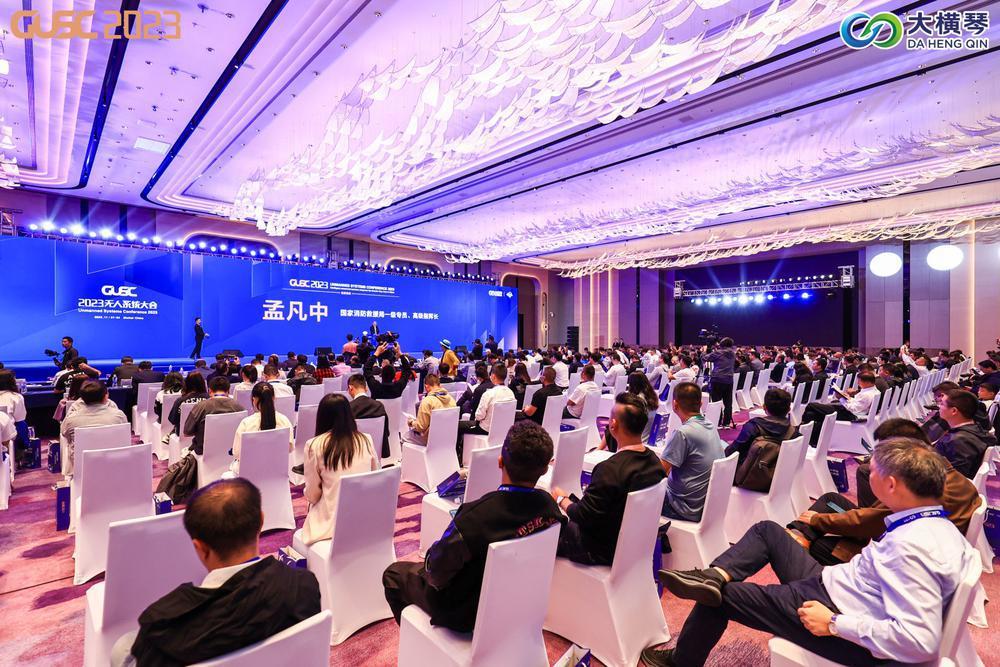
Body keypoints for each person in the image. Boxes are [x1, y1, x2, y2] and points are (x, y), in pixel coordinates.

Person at [642, 437, 979, 667]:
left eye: (873, 469)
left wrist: (833, 623)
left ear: (891, 485)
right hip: (836, 586)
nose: (867, 472)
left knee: (720, 598)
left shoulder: (912, 547)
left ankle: (682, 659)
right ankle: (714, 575)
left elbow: (920, 641)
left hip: (833, 611)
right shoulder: (938, 526)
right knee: (768, 531)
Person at [112, 479, 321, 667]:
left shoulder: (162, 627)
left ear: (199, 548)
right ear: (261, 521)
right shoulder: (303, 585)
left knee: (123, 647)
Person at [383, 421, 564, 632]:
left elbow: (435, 575)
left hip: (464, 614)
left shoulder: (474, 517)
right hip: (519, 602)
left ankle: (414, 639)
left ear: (500, 461)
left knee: (393, 574)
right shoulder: (550, 507)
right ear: (545, 469)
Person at [789, 418, 980, 564]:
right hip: (894, 535)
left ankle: (799, 538)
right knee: (831, 500)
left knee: (819, 546)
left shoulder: (918, 491)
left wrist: (817, 520)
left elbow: (869, 522)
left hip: (892, 553)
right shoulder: (944, 471)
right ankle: (799, 534)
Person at [552, 393, 665, 565]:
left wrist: (561, 499)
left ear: (613, 425)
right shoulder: (655, 462)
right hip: (633, 544)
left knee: (546, 528)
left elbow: (583, 516)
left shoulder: (610, 469)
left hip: (599, 549)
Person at [292, 393, 380, 549]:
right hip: (364, 518)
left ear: (322, 417)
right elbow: (376, 478)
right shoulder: (366, 439)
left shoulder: (315, 445)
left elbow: (312, 495)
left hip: (330, 525)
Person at [660, 382, 725, 520]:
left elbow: (658, 472)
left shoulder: (683, 433)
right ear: (701, 404)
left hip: (682, 508)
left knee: (629, 494)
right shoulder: (710, 425)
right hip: (704, 505)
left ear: (675, 405)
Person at [60, 381, 128, 472]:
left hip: (81, 468)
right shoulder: (119, 416)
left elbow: (65, 435)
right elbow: (124, 437)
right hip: (115, 465)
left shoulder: (71, 419)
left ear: (82, 399)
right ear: (106, 396)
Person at [799, 373, 880, 446]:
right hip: (853, 412)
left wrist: (841, 398)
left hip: (850, 415)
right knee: (811, 414)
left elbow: (854, 409)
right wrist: (848, 398)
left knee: (811, 405)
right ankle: (812, 439)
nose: (858, 383)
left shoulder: (866, 395)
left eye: (859, 381)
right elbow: (858, 404)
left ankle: (802, 430)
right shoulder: (874, 390)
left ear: (867, 382)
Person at [229, 382, 294, 474]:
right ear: (274, 398)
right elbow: (289, 449)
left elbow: (237, 453)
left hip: (249, 474)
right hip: (277, 472)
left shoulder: (246, 423)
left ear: (254, 400)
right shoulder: (284, 420)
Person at [456, 363, 515, 463]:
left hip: (485, 429)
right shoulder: (511, 393)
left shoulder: (489, 394)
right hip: (504, 429)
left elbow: (479, 416)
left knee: (458, 425)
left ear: (493, 376)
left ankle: (459, 457)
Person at [934, 388, 997, 478]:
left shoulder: (958, 441)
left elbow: (956, 478)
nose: (939, 406)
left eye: (942, 404)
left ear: (954, 411)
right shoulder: (974, 429)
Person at [726, 388, 796, 466]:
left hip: (750, 472)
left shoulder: (753, 427)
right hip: (781, 470)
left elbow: (733, 452)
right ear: (789, 409)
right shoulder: (794, 432)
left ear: (764, 407)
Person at [181, 376, 243, 456]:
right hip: (232, 450)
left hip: (203, 451)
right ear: (228, 391)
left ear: (209, 391)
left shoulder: (201, 407)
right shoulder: (239, 407)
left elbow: (187, 432)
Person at [601, 371, 659, 450]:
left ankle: (600, 448)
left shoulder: (638, 400)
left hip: (638, 436)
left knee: (613, 424)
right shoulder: (652, 396)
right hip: (647, 434)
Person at [347, 373, 391, 459]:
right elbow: (386, 432)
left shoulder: (348, 408)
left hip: (353, 456)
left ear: (350, 388)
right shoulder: (379, 406)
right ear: (366, 388)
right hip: (376, 453)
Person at [404, 374, 456, 446]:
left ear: (426, 386)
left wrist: (412, 422)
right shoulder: (452, 399)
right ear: (439, 385)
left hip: (430, 440)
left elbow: (421, 427)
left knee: (404, 437)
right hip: (448, 439)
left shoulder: (427, 401)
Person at [705, 337, 736, 428]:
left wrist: (708, 349)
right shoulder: (733, 353)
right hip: (729, 380)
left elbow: (705, 358)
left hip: (718, 379)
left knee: (716, 401)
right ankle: (726, 423)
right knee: (728, 402)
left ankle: (718, 421)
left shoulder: (718, 353)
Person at [167, 373, 209, 439]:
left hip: (182, 433)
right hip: (204, 433)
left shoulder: (180, 401)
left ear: (187, 383)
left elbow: (173, 420)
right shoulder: (210, 399)